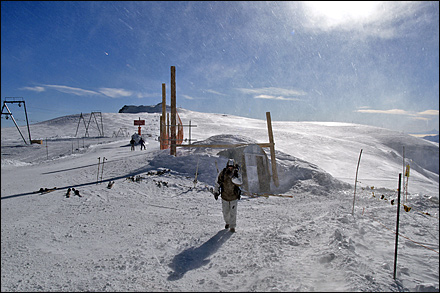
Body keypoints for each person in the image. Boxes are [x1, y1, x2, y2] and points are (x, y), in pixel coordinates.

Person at [213, 158, 242, 233]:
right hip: (224, 196)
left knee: (233, 212)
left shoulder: (237, 173)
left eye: (231, 167)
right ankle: (227, 222)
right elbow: (217, 182)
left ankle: (232, 226)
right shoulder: (222, 173)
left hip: (234, 196)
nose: (230, 168)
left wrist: (233, 177)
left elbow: (240, 182)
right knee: (225, 212)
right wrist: (216, 192)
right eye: (229, 167)